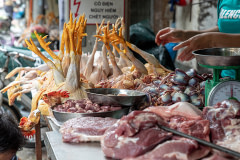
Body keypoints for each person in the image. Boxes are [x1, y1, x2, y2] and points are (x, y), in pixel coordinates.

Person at [155, 0, 240, 77]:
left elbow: (214, 38)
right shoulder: (224, 1)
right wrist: (185, 35)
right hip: (227, 76)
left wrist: (211, 40)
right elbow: (222, 30)